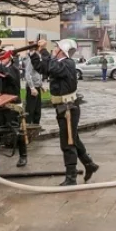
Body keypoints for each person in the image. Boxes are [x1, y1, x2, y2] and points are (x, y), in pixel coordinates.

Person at [29, 38, 98, 186]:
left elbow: (51, 67)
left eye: (56, 48)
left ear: (62, 51)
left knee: (68, 142)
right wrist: (33, 52)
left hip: (68, 109)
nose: (54, 50)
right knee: (73, 138)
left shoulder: (67, 64)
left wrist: (43, 50)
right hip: (62, 108)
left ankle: (71, 177)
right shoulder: (59, 64)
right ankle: (89, 164)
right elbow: (43, 68)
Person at [24, 42, 44, 134]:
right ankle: (28, 128)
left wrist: (41, 85)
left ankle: (36, 127)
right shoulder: (30, 59)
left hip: (37, 87)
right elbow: (27, 74)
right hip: (32, 88)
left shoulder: (38, 57)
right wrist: (32, 88)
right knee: (30, 109)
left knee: (37, 110)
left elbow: (38, 73)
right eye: (40, 48)